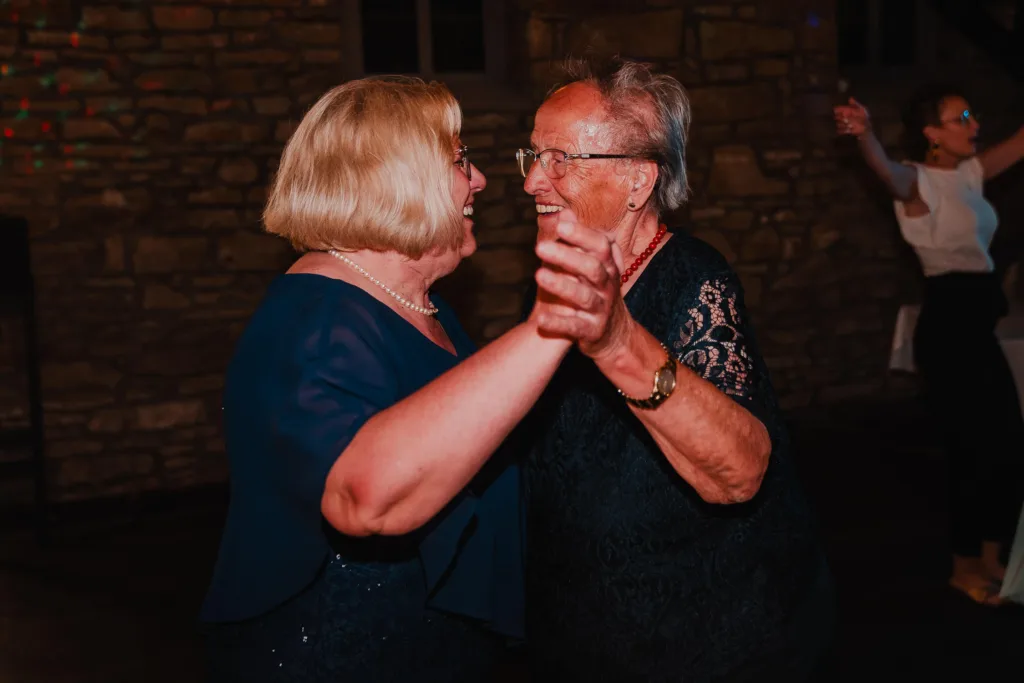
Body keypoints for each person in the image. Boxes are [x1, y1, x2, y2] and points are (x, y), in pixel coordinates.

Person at [198, 76, 578, 681]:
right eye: (459, 160)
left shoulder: (418, 304)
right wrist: (558, 322)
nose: (478, 179)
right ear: (395, 176)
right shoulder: (317, 320)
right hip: (338, 652)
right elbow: (366, 499)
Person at [516, 57, 834, 682]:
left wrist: (619, 345)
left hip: (704, 635)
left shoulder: (696, 280)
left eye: (561, 160)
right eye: (532, 157)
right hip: (585, 624)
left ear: (638, 180)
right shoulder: (563, 274)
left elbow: (739, 474)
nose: (533, 183)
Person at [835, 87, 1024, 605]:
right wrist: (866, 134)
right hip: (949, 329)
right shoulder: (916, 181)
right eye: (960, 117)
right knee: (969, 448)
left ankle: (990, 553)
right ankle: (964, 568)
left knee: (1006, 439)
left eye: (972, 113)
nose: (973, 122)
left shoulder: (969, 173)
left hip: (979, 324)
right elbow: (883, 171)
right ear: (932, 133)